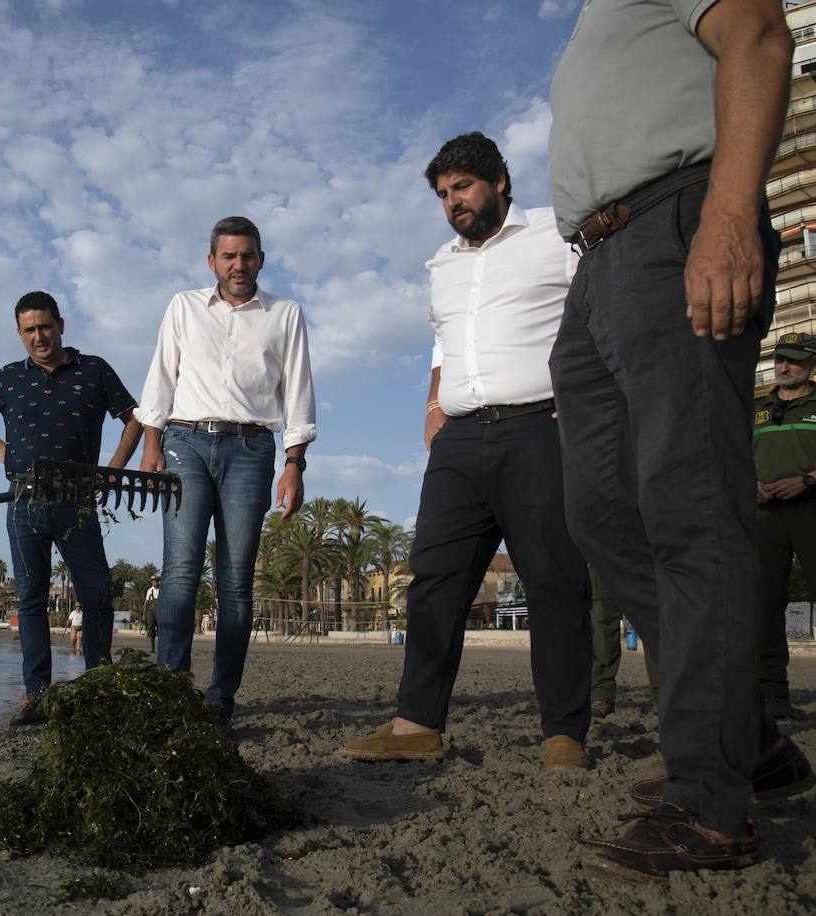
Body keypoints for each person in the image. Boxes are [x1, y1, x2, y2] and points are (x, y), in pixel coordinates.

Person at [548, 0, 811, 879]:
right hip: (598, 263)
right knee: (600, 513)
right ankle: (744, 735)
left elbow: (762, 37)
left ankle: (709, 804)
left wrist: (731, 215)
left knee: (691, 507)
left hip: (674, 220)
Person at [340, 133, 592, 770]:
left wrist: (586, 393)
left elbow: (595, 311)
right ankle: (416, 725)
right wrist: (433, 408)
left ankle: (564, 733)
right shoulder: (441, 264)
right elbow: (445, 345)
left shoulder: (556, 235)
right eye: (444, 193)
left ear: (500, 182)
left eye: (464, 187)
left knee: (553, 580)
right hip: (459, 440)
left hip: (539, 428)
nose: (453, 202)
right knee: (434, 581)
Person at [137, 216, 316, 732]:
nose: (239, 265)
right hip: (185, 442)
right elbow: (160, 378)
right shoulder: (183, 307)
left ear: (261, 258)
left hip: (251, 448)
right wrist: (151, 448)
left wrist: (293, 463)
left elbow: (299, 394)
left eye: (249, 255)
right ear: (211, 260)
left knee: (236, 581)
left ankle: (221, 699)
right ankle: (171, 689)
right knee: (180, 571)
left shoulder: (285, 314)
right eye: (229, 256)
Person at [0, 291, 143, 726]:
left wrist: (113, 470)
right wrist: (1, 452)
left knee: (97, 595)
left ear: (60, 325)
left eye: (45, 326)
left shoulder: (94, 370)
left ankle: (99, 686)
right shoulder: (9, 377)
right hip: (23, 502)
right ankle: (36, 698)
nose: (39, 337)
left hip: (77, 501)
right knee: (30, 599)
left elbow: (135, 417)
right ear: (19, 334)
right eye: (29, 330)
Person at [754, 331, 816, 719]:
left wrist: (808, 479)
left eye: (792, 359)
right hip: (764, 516)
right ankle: (774, 695)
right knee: (765, 606)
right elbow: (732, 453)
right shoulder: (757, 409)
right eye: (779, 359)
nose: (783, 366)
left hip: (810, 509)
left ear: (811, 366)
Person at [589, 568, 658, 719]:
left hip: (643, 552)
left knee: (654, 613)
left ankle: (664, 693)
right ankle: (601, 693)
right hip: (602, 550)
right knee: (602, 617)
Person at [142, 574, 160, 654]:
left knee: (161, 631)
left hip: (160, 612)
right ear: (152, 582)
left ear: (158, 581)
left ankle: (161, 648)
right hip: (151, 613)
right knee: (151, 631)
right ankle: (152, 648)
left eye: (156, 581)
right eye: (153, 581)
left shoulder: (162, 589)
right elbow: (146, 602)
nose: (155, 582)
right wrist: (144, 614)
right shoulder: (150, 590)